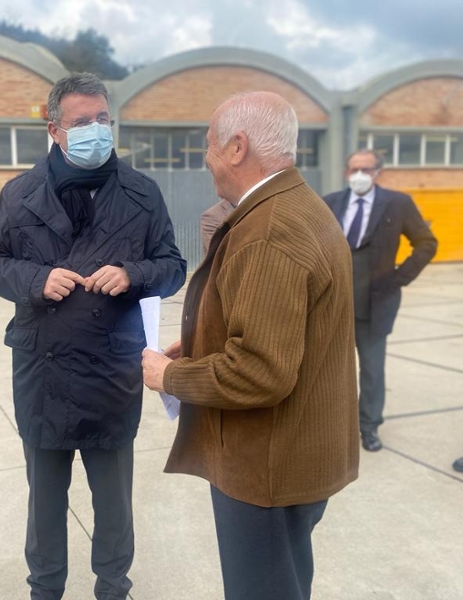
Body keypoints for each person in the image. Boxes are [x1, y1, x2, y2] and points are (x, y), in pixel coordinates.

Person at [142, 91, 359, 600]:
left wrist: (168, 377)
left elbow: (260, 370)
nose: (206, 159)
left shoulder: (269, 230)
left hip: (267, 468)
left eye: (209, 146)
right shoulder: (298, 206)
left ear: (237, 147)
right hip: (293, 456)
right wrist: (198, 342)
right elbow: (283, 330)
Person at [0, 72, 186, 600]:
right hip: (41, 371)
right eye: (81, 122)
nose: (95, 129)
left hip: (111, 372)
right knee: (45, 501)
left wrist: (133, 274)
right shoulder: (20, 194)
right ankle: (44, 590)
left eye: (102, 119)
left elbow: (173, 266)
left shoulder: (142, 193)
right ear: (54, 129)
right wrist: (34, 279)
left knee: (113, 502)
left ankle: (113, 588)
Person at [324, 150, 438, 452]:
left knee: (373, 370)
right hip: (334, 305)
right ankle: (332, 427)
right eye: (353, 169)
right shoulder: (331, 203)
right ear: (346, 172)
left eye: (365, 169)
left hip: (375, 305)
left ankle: (369, 427)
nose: (359, 175)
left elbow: (426, 243)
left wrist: (398, 278)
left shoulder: (398, 204)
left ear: (378, 172)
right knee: (332, 371)